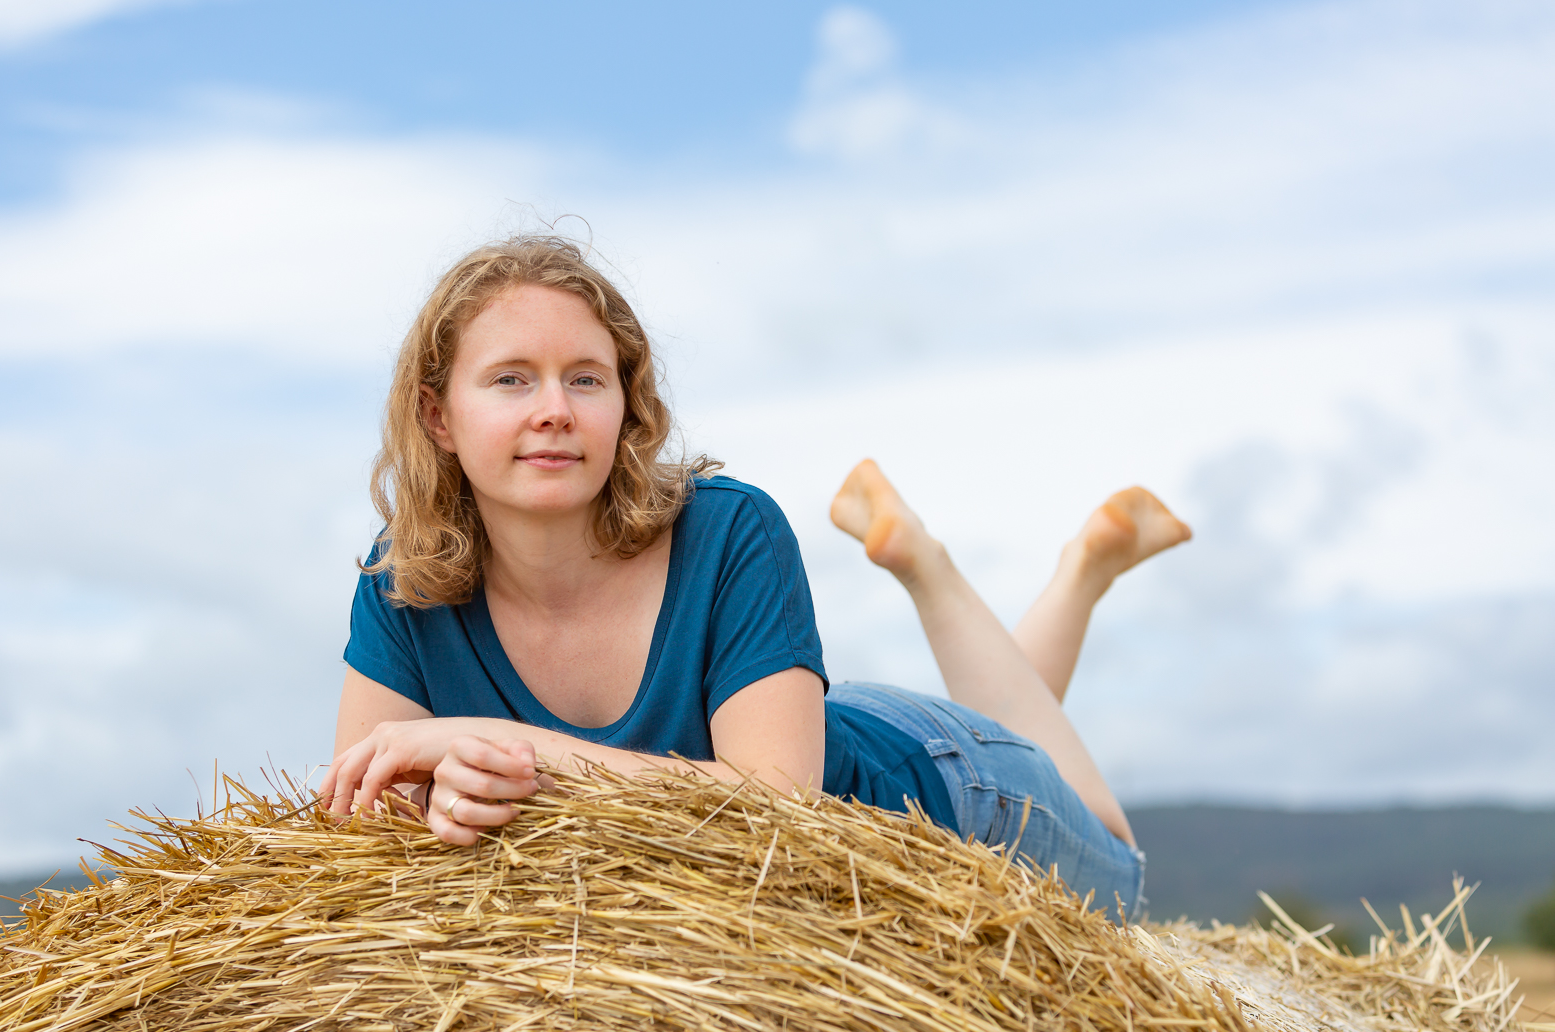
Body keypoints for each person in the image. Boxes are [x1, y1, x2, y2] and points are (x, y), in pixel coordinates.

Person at [319, 235, 1191, 919]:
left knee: (1120, 879)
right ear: (438, 413)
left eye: (586, 378)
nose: (554, 408)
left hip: (941, 787)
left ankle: (997, 571)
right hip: (802, 715)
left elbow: (777, 806)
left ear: (625, 404)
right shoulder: (404, 579)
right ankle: (978, 563)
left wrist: (510, 757)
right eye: (511, 379)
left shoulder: (729, 529)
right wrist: (444, 800)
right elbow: (368, 817)